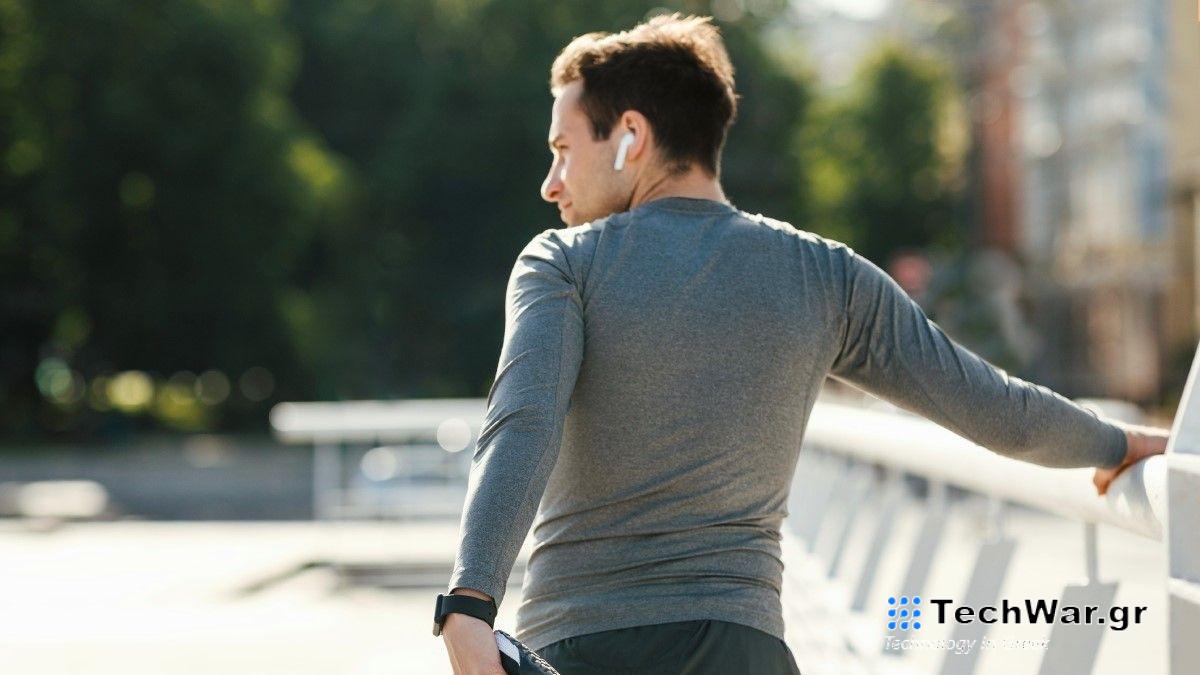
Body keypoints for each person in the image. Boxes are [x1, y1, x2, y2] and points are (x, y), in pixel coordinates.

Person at [437, 12, 1171, 675]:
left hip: (585, 645)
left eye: (564, 149)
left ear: (632, 136)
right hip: (745, 650)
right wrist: (1115, 442)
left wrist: (470, 601)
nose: (550, 183)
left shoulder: (562, 262)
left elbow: (521, 423)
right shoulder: (826, 274)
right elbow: (989, 405)